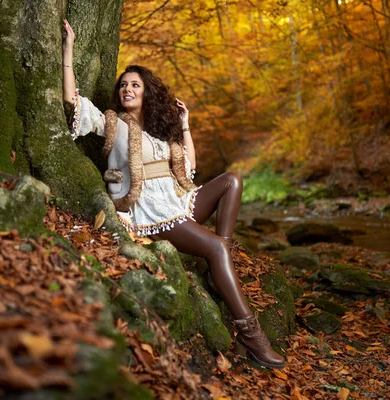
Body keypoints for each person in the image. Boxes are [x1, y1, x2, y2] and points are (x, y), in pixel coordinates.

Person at [62, 19, 285, 369]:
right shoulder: (113, 124)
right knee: (212, 247)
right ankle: (251, 335)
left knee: (232, 181)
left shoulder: (159, 134)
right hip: (150, 212)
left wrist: (185, 125)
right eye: (123, 85)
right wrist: (68, 48)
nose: (128, 89)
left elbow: (190, 169)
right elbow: (71, 101)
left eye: (135, 84)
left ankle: (220, 259)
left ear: (147, 92)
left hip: (178, 202)